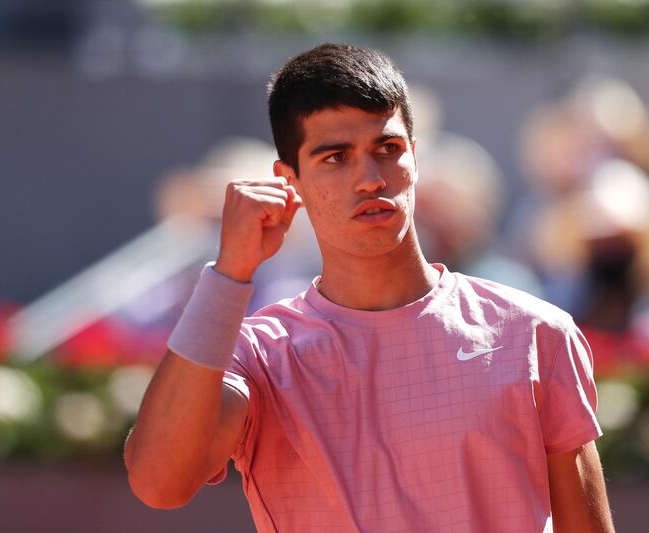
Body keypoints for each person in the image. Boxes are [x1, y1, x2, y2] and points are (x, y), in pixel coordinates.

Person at [124, 43, 615, 533]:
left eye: (388, 149)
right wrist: (228, 273)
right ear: (288, 180)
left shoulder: (534, 334)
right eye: (335, 157)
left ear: (416, 158)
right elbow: (159, 483)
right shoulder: (259, 355)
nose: (370, 179)